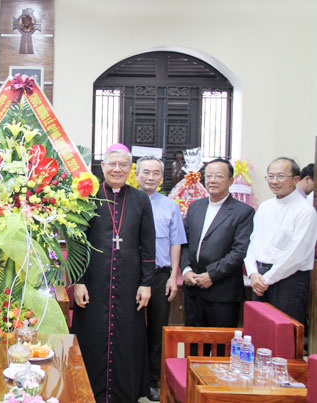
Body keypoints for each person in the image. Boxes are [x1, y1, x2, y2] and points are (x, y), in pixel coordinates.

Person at [71, 143, 156, 403]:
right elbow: (76, 241)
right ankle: (88, 393)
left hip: (129, 285)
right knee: (92, 339)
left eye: (123, 165)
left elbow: (148, 243)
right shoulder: (88, 195)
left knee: (126, 341)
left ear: (130, 169)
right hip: (93, 284)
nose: (117, 169)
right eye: (112, 164)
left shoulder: (140, 199)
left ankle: (124, 394)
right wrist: (78, 281)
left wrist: (146, 283)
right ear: (103, 167)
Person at [181, 159, 254, 352]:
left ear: (230, 181)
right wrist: (186, 269)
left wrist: (212, 275)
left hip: (222, 292)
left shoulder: (243, 212)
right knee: (194, 346)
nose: (213, 180)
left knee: (221, 349)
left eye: (219, 176)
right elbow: (185, 243)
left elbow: (240, 251)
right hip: (194, 288)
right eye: (209, 176)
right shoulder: (195, 207)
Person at [135, 156, 187, 402]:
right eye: (146, 172)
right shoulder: (128, 201)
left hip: (160, 274)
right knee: (132, 327)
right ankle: (133, 377)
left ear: (161, 177)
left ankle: (154, 379)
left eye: (156, 173)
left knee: (157, 328)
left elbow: (176, 242)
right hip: (132, 276)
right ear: (137, 174)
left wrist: (173, 276)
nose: (150, 177)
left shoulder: (170, 206)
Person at [244, 158, 317, 325]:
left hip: (289, 281)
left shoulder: (305, 211)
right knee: (259, 331)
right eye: (270, 176)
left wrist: (266, 279)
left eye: (281, 176)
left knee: (284, 334)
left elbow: (297, 255)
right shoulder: (265, 206)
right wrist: (253, 273)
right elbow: (253, 242)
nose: (274, 181)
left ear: (296, 179)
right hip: (260, 278)